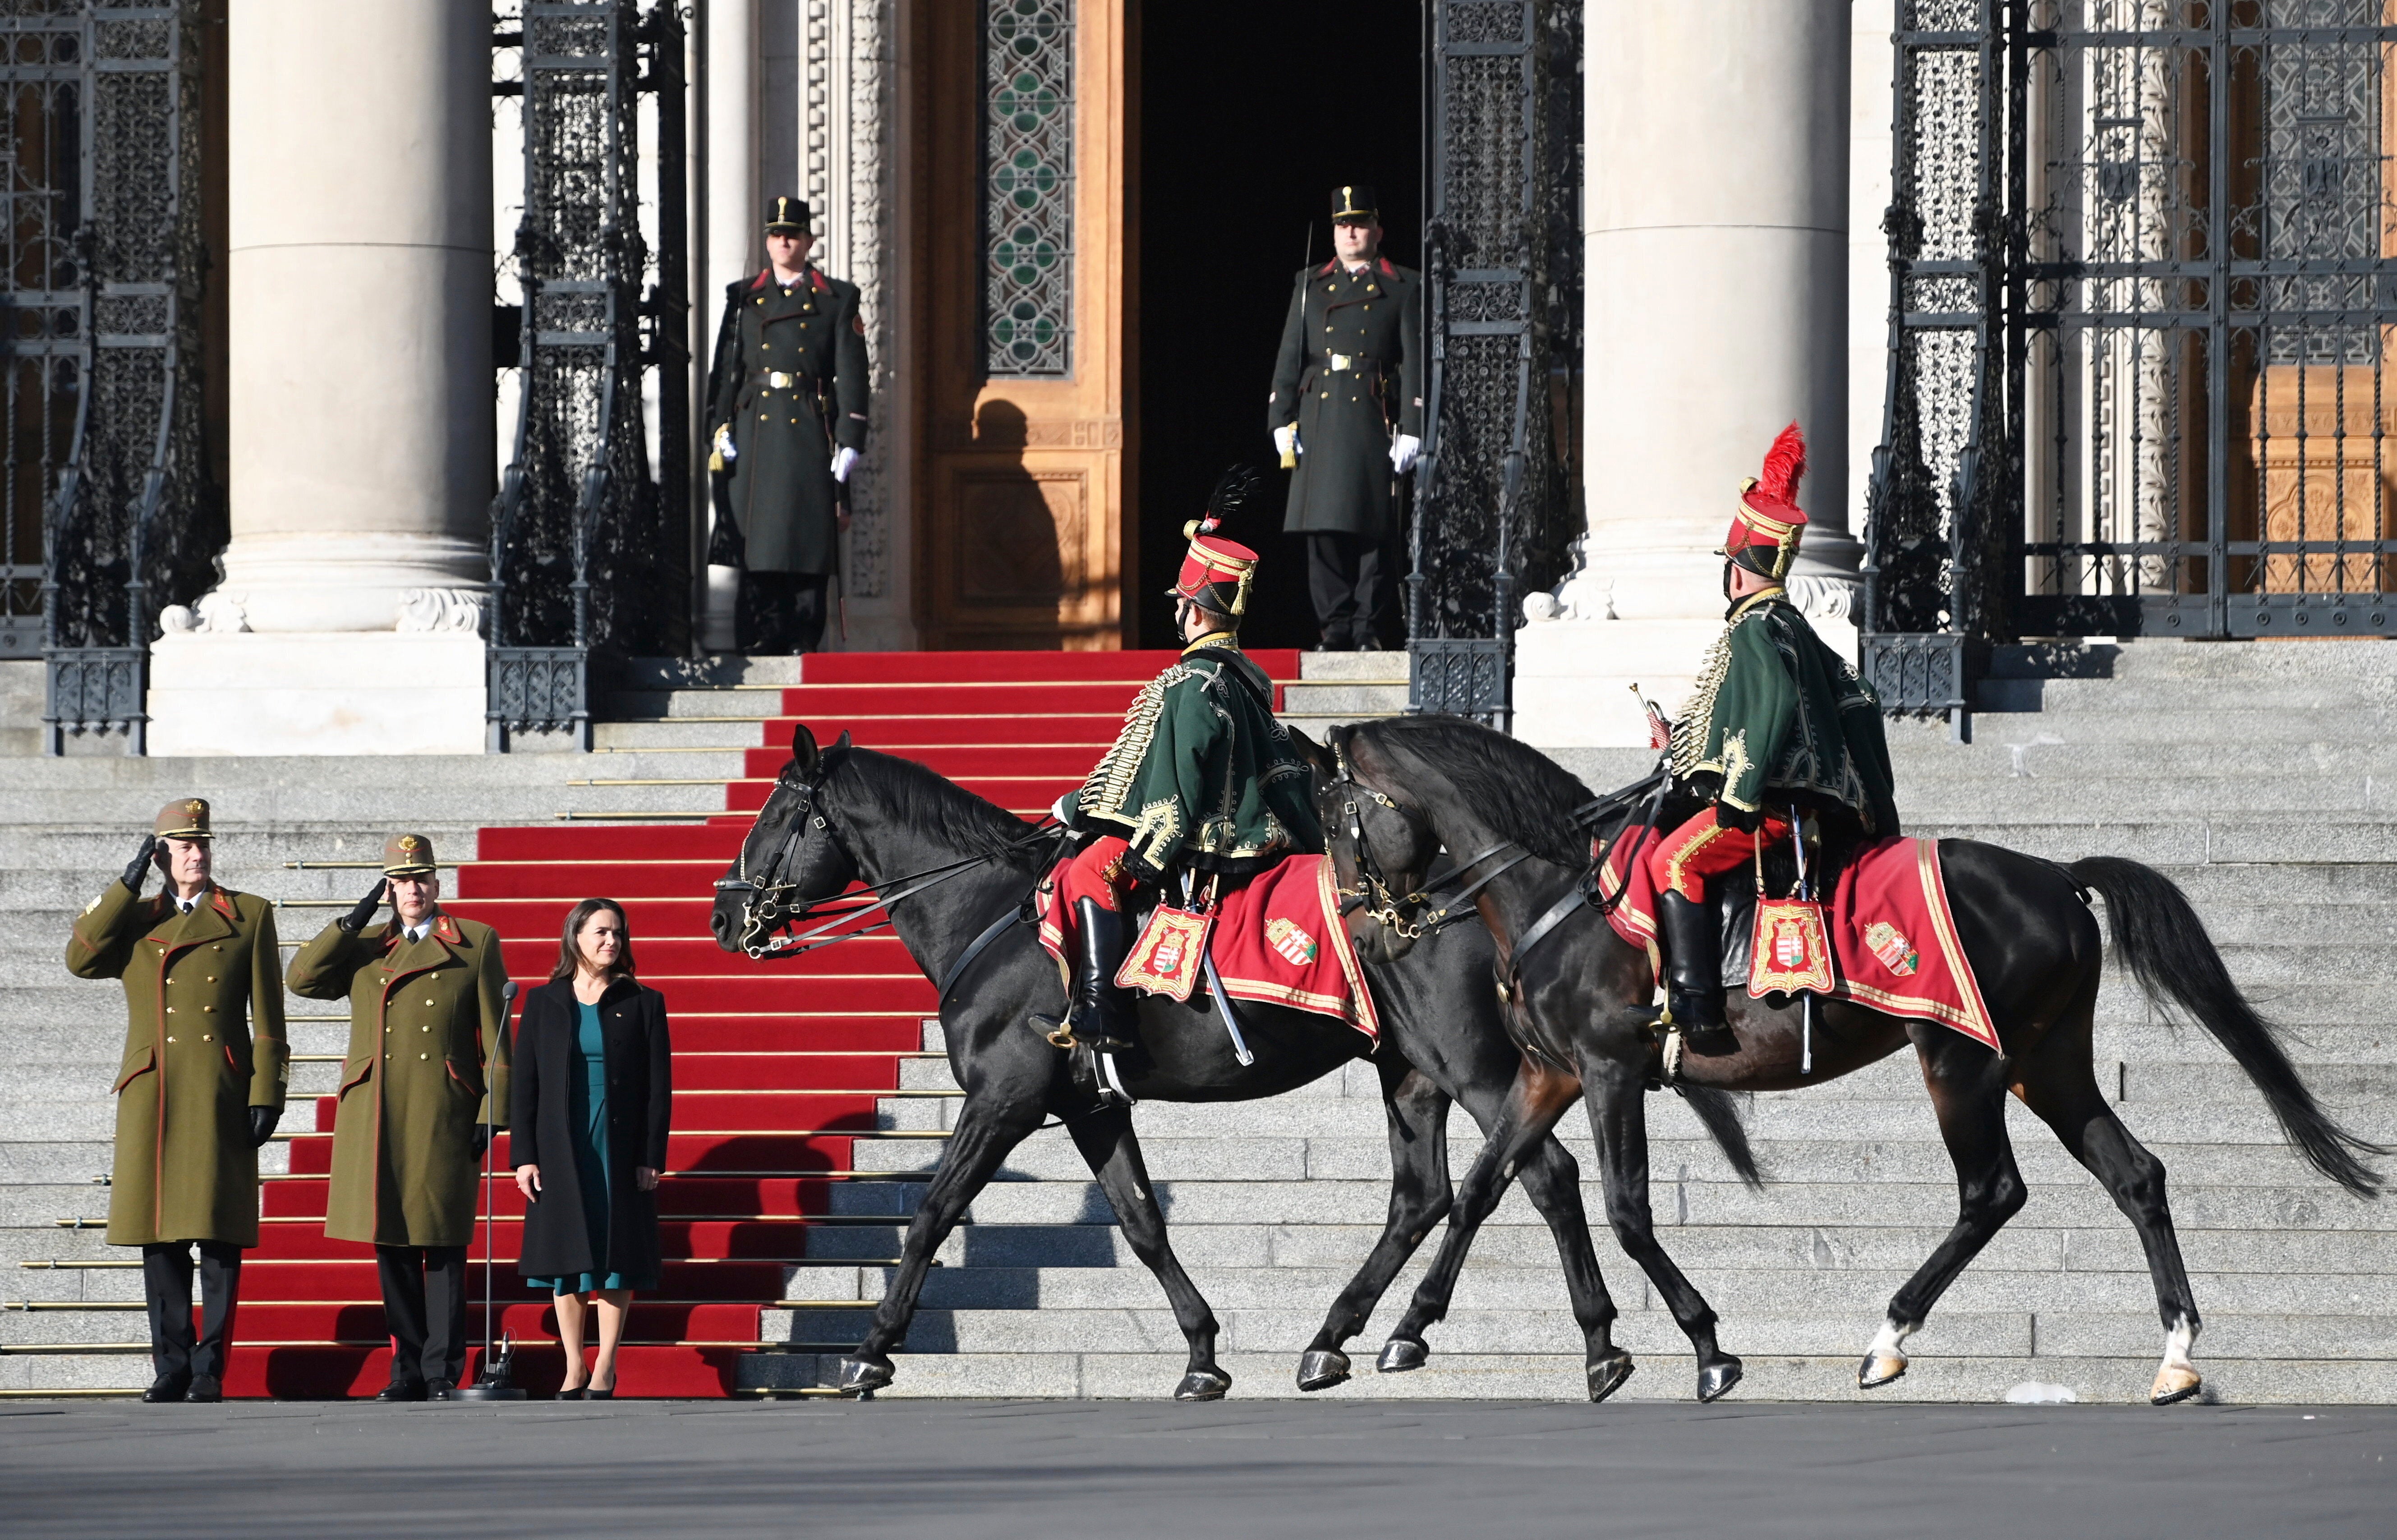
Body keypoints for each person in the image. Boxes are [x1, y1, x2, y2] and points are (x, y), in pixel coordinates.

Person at [1052, 470, 1324, 1106]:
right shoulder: (1242, 679)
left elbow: (1171, 797)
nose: (1174, 609)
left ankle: (1099, 1011)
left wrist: (1127, 842)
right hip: (1255, 829)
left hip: (1205, 840)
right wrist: (1089, 802)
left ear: (1196, 608)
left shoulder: (1189, 683)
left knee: (1088, 872)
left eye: (1180, 599)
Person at [1648, 424, 1900, 1056]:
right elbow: (1855, 699)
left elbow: (1771, 704)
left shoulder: (1753, 629)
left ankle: (1697, 1009)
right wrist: (1675, 742)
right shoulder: (1792, 625)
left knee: (1671, 860)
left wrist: (1738, 791)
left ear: (1737, 571)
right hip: (1804, 804)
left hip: (1766, 809)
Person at [66, 799, 289, 1404]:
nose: (197, 854)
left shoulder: (248, 914)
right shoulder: (135, 920)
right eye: (183, 846)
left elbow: (269, 1014)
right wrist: (126, 882)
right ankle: (170, 1364)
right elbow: (80, 956)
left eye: (203, 843)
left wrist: (268, 1088)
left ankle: (210, 1366)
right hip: (154, 1091)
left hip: (219, 1089)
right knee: (159, 1236)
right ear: (162, 854)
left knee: (217, 1237)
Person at [287, 833, 511, 1402]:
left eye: (422, 879)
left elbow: (497, 1029)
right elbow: (302, 979)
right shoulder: (364, 946)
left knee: (442, 1243)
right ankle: (406, 1367)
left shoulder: (475, 942)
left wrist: (494, 1106)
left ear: (438, 883)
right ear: (388, 889)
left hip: (442, 1107)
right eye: (401, 881)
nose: (413, 889)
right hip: (378, 1108)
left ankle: (441, 1369)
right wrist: (351, 922)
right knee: (391, 1243)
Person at [511, 900, 672, 1400]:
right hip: (560, 1142)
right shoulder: (543, 1002)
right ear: (575, 936)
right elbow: (525, 1085)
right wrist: (524, 1156)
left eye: (618, 933)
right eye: (601, 932)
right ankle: (572, 1364)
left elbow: (659, 1087)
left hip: (620, 1143)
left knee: (615, 1253)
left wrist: (651, 1155)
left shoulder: (643, 1001)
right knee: (567, 1254)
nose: (611, 941)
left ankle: (605, 1365)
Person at [705, 194, 871, 655]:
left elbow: (853, 372)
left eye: (792, 235)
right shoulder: (743, 297)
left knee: (804, 538)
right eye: (776, 235)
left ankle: (801, 633)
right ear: (768, 241)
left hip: (808, 427)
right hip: (755, 428)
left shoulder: (836, 298)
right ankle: (761, 630)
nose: (784, 242)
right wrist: (718, 427)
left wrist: (850, 438)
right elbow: (725, 370)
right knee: (758, 542)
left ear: (807, 241)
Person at [1267, 183, 1423, 651]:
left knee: (1373, 527)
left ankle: (1366, 627)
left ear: (1377, 229)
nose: (1350, 232)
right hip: (1319, 415)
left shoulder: (1403, 285)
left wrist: (1412, 428)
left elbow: (1413, 360)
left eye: (1358, 223)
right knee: (1323, 528)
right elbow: (1290, 355)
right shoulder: (1309, 284)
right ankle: (1334, 627)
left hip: (1372, 415)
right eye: (1342, 224)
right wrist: (1280, 417)